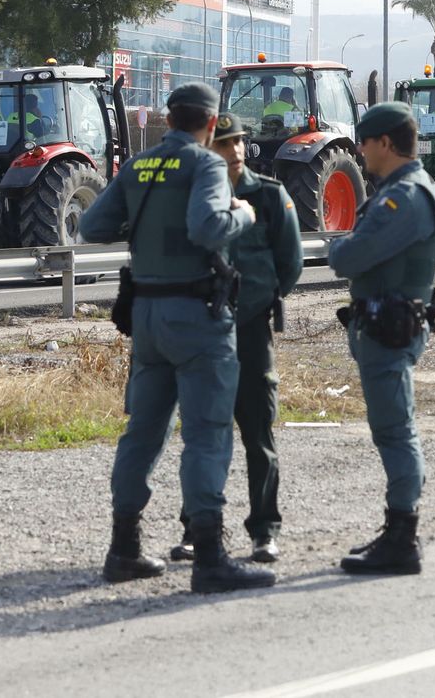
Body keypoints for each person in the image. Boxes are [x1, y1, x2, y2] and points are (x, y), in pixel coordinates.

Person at [80, 82, 275, 595]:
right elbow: (208, 228)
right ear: (211, 126)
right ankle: (210, 557)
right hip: (197, 316)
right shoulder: (206, 164)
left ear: (168, 120)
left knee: (143, 431)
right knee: (207, 432)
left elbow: (93, 227)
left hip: (146, 313)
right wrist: (245, 214)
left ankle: (124, 547)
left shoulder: (137, 166)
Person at [168, 113, 303, 565]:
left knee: (259, 434)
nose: (237, 151)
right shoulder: (195, 197)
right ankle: (196, 529)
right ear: (209, 149)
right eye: (226, 144)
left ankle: (264, 531)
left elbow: (291, 264)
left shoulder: (267, 195)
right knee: (204, 433)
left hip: (249, 332)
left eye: (241, 142)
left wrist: (260, 300)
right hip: (205, 336)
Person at [327, 101, 435, 575]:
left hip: (388, 327)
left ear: (385, 144)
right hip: (382, 323)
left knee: (395, 430)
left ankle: (403, 538)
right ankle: (397, 529)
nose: (361, 150)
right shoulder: (403, 190)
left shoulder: (405, 198)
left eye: (366, 142)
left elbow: (351, 257)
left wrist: (340, 247)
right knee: (392, 428)